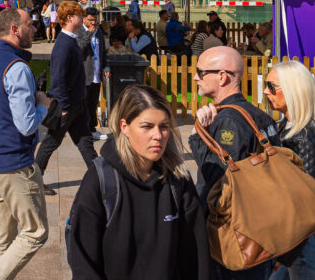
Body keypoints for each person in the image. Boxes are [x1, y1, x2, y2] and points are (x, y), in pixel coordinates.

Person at [67, 84, 210, 280]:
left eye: (164, 126)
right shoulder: (100, 181)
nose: (158, 136)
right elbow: (83, 262)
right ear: (124, 126)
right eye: (147, 126)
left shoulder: (178, 181)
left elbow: (195, 256)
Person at [0, 6, 52, 280]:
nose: (35, 29)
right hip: (12, 162)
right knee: (35, 231)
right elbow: (27, 124)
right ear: (15, 29)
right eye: (30, 24)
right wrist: (43, 105)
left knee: (2, 232)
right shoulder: (18, 67)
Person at [190, 45, 280, 280]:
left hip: (235, 236)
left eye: (201, 71)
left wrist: (197, 137)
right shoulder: (258, 115)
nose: (196, 77)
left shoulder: (229, 120)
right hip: (260, 229)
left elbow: (218, 179)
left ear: (222, 76)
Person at [263, 61, 315, 279]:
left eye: (272, 86)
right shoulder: (290, 126)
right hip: (303, 237)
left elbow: (306, 200)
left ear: (293, 90)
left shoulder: (304, 135)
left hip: (306, 239)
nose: (265, 91)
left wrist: (285, 254)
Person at [36, 0, 98, 186]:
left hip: (76, 104)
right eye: (79, 15)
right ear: (70, 18)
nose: (83, 18)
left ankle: (100, 179)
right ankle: (36, 182)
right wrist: (63, 106)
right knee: (50, 143)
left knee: (85, 141)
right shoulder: (63, 44)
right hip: (67, 105)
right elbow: (58, 78)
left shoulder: (71, 40)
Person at [78, 7, 110, 142]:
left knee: (92, 105)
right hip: (84, 75)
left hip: (96, 74)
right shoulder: (79, 32)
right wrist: (88, 35)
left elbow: (103, 53)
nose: (93, 23)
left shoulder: (99, 32)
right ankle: (83, 132)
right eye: (90, 20)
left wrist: (106, 67)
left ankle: (91, 130)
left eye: (95, 20)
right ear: (83, 19)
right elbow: (78, 49)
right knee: (83, 105)